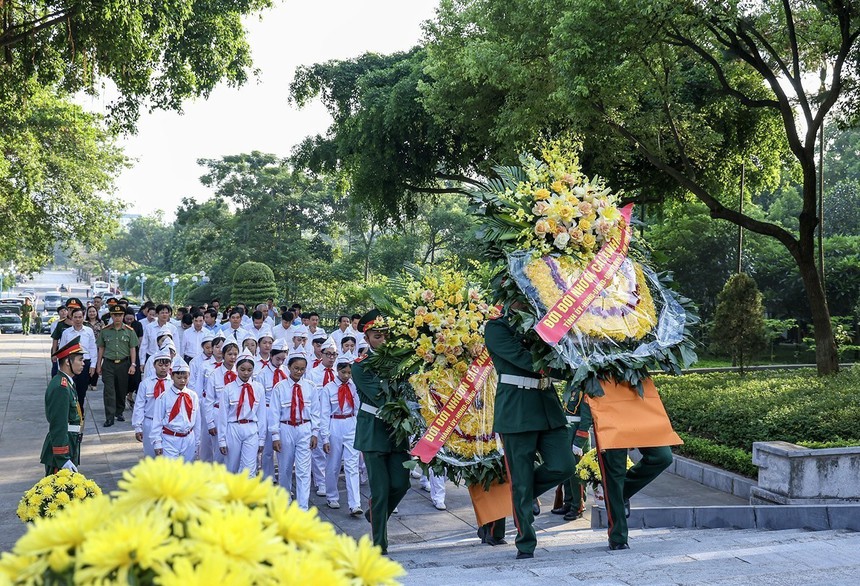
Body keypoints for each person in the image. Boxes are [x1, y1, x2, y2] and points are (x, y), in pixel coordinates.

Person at [484, 304, 576, 560]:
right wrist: (570, 366)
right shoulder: (496, 327)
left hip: (547, 406)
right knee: (521, 479)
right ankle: (526, 543)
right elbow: (526, 360)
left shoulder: (544, 323)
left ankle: (518, 496)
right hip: (517, 411)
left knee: (564, 466)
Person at [575, 388, 673, 550]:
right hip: (606, 401)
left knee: (662, 457)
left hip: (634, 396)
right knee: (614, 473)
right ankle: (618, 536)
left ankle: (621, 493)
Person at [352, 309, 409, 555]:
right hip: (373, 430)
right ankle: (379, 545)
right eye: (377, 336)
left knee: (402, 483)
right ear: (366, 339)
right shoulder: (360, 366)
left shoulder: (403, 360)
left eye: (386, 335)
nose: (383, 340)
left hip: (397, 431)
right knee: (381, 489)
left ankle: (374, 513)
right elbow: (382, 394)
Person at [269, 350, 320, 509]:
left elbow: (316, 412)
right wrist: (275, 436)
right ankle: (285, 500)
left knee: (304, 470)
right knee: (285, 467)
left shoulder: (310, 387)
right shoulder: (280, 387)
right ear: (289, 367)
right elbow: (274, 412)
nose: (299, 372)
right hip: (286, 429)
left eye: (302, 369)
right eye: (296, 368)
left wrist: (314, 433)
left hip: (304, 428)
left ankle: (303, 506)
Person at [320, 352, 362, 515]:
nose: (346, 376)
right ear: (337, 371)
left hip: (350, 423)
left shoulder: (354, 386)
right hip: (335, 425)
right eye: (343, 372)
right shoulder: (328, 389)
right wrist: (325, 436)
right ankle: (332, 495)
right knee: (333, 463)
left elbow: (357, 408)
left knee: (352, 465)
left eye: (349, 373)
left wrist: (359, 428)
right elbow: (324, 413)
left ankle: (355, 503)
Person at [40, 336, 85, 475]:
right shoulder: (61, 387)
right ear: (67, 361)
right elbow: (59, 424)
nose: (83, 363)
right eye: (80, 359)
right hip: (61, 451)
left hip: (70, 443)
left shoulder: (67, 383)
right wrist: (63, 458)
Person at [218, 350, 266, 477]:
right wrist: (221, 439)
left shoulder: (258, 388)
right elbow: (223, 416)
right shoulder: (228, 389)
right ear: (237, 368)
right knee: (231, 466)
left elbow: (262, 415)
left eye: (249, 370)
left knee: (250, 467)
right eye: (242, 369)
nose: (246, 373)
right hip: (233, 427)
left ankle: (247, 495)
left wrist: (261, 439)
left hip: (251, 428)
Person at [551, 385, 589, 522]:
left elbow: (586, 418)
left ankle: (577, 506)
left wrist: (579, 441)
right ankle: (568, 503)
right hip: (567, 433)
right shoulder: (570, 388)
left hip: (576, 435)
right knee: (567, 472)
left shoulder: (584, 389)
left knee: (576, 475)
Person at [96, 305, 139, 427]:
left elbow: (132, 348)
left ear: (123, 316)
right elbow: (101, 349)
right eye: (115, 315)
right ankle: (109, 416)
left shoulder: (129, 331)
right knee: (109, 391)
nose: (118, 317)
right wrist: (99, 364)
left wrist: (133, 365)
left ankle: (119, 412)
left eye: (120, 315)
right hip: (108, 364)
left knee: (121, 389)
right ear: (111, 316)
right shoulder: (105, 331)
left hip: (124, 364)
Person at [152, 358, 199, 461]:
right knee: (171, 471)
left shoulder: (193, 396)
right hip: (170, 438)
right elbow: (157, 421)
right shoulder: (164, 397)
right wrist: (157, 442)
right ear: (172, 376)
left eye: (185, 377)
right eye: (179, 377)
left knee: (187, 471)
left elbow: (197, 421)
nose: (182, 381)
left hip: (188, 438)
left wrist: (197, 441)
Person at [254, 338, 288, 481]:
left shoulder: (286, 371)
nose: (280, 362)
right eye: (278, 359)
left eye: (283, 359)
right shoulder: (262, 374)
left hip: (284, 412)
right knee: (268, 448)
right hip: (268, 411)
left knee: (284, 447)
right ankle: (268, 476)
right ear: (271, 356)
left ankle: (283, 478)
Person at [309, 336, 339, 497]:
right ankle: (320, 481)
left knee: (332, 451)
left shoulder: (338, 373)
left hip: (334, 417)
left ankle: (330, 481)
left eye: (334, 354)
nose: (331, 357)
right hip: (318, 416)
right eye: (328, 354)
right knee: (318, 450)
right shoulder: (313, 374)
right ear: (321, 354)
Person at [132, 348, 172, 458]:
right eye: (160, 365)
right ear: (154, 365)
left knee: (168, 456)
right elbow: (139, 406)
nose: (163, 368)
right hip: (150, 421)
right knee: (150, 455)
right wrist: (138, 427)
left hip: (167, 424)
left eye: (166, 365)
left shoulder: (173, 384)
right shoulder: (145, 384)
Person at [205, 340, 240, 464]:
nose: (233, 357)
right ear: (223, 354)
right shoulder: (214, 375)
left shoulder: (240, 373)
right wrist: (210, 423)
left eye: (235, 354)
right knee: (220, 451)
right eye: (230, 354)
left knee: (235, 452)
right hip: (218, 414)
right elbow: (208, 400)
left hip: (236, 416)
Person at [58, 307, 97, 409]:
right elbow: (61, 351)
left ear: (83, 317)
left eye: (80, 317)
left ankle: (80, 413)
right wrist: (61, 369)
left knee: (81, 390)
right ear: (71, 318)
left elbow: (93, 349)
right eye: (75, 317)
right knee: (69, 390)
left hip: (84, 363)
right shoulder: (66, 333)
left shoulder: (88, 331)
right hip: (70, 364)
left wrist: (93, 365)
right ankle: (70, 411)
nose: (78, 320)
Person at [85, 306, 103, 391]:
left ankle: (94, 383)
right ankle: (87, 381)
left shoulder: (101, 323)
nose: (92, 313)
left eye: (93, 311)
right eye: (90, 312)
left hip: (99, 347)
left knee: (96, 364)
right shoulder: (85, 323)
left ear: (96, 313)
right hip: (87, 347)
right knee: (88, 364)